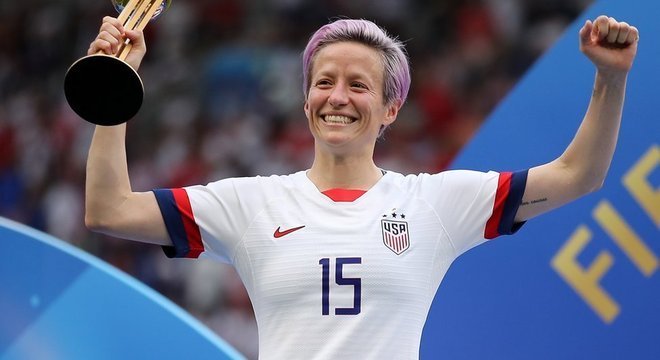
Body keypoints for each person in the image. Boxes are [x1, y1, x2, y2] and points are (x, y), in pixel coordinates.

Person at [84, 14, 639, 359]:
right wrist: (113, 89)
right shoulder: (248, 204)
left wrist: (610, 78)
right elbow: (108, 210)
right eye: (323, 82)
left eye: (359, 85)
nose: (338, 97)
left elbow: (577, 175)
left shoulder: (435, 203)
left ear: (391, 107)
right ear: (305, 103)